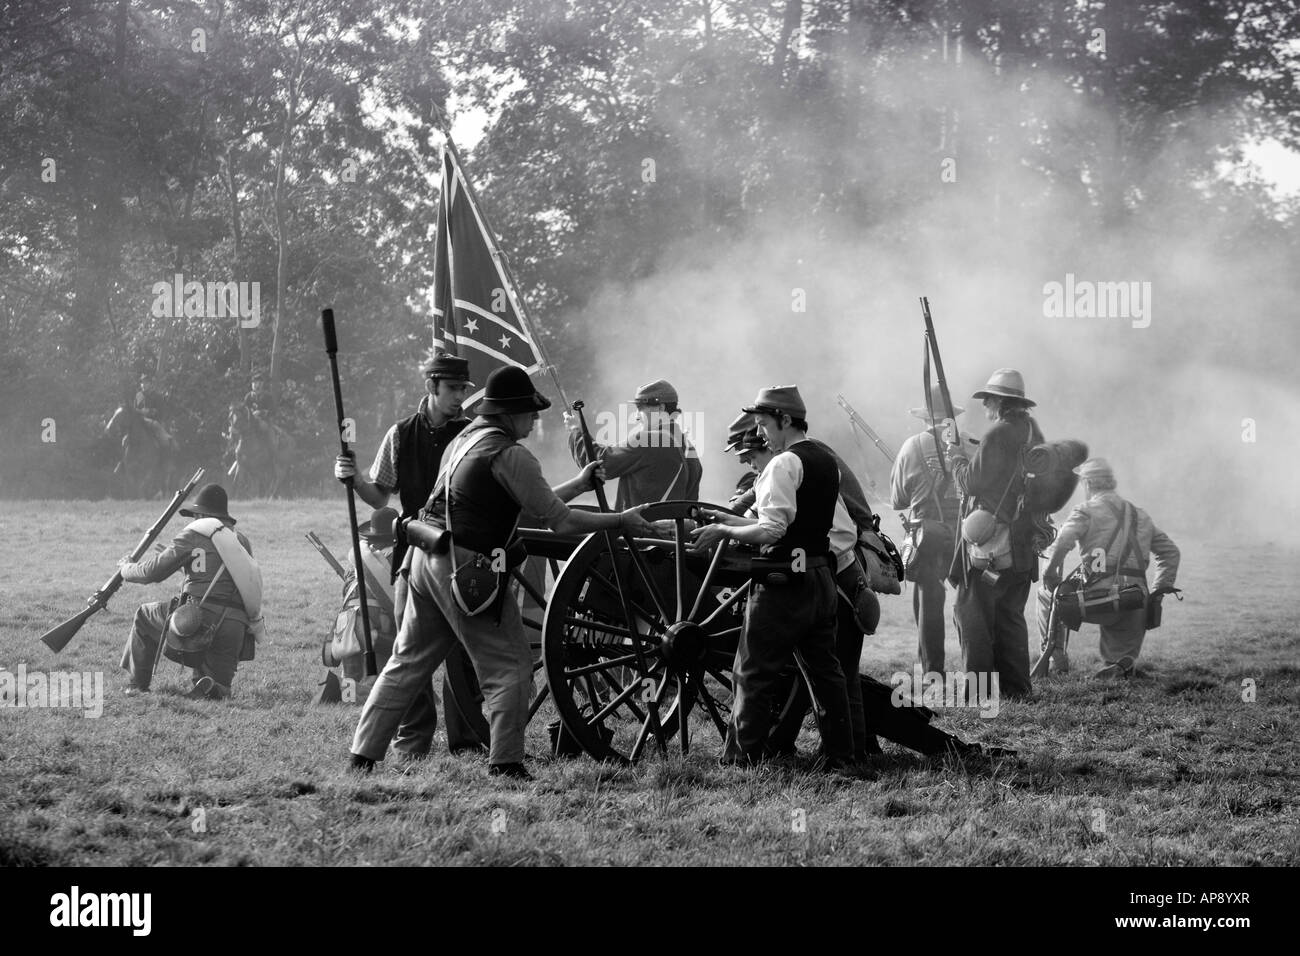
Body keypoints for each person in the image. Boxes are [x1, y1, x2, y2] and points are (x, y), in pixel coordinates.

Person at [350, 366, 656, 779]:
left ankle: (362, 756)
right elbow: (560, 522)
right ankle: (507, 763)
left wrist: (579, 484)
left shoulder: (464, 439)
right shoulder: (511, 455)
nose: (534, 419)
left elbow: (532, 505)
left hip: (425, 558)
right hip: (465, 569)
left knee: (406, 661)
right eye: (529, 412)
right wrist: (621, 521)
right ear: (510, 413)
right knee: (510, 664)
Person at [691, 386, 854, 771]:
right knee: (826, 674)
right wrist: (726, 520)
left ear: (784, 420)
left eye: (763, 424)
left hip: (783, 583)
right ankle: (841, 756)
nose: (759, 433)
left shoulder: (783, 464)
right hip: (819, 576)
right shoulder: (824, 458)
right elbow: (794, 522)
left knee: (752, 670)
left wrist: (725, 533)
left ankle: (742, 759)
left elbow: (772, 530)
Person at [333, 352, 486, 759]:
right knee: (408, 651)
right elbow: (380, 495)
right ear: (431, 387)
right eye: (452, 389)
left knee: (461, 654)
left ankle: (468, 741)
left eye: (463, 389)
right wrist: (354, 479)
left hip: (459, 553)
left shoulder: (472, 434)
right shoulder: (400, 434)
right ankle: (412, 742)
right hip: (411, 554)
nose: (459, 397)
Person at [945, 368, 1043, 702]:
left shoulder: (999, 433)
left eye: (988, 398)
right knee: (1010, 617)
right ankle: (1017, 690)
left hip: (991, 546)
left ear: (1000, 401)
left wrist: (955, 453)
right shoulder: (1030, 431)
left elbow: (971, 482)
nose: (984, 403)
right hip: (1022, 544)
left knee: (971, 613)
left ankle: (979, 693)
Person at [1038, 458, 1181, 679]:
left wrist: (1049, 573)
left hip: (1097, 599)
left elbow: (1063, 541)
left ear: (1087, 484)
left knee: (1046, 594)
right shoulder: (1140, 514)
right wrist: (1158, 593)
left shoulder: (1085, 510)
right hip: (1135, 600)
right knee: (1121, 641)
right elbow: (1171, 552)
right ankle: (1121, 663)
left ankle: (1056, 656)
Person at [119, 484, 262, 700]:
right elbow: (226, 581)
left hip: (198, 620)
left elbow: (151, 573)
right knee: (218, 689)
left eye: (195, 516)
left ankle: (138, 685)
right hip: (235, 628)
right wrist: (181, 567)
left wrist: (126, 568)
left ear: (201, 514)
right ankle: (210, 686)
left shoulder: (194, 534)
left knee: (144, 616)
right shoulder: (240, 540)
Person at [891, 385, 964, 673]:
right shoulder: (969, 444)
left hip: (927, 534)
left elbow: (898, 500)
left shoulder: (911, 446)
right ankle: (978, 666)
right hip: (964, 532)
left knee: (929, 603)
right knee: (971, 602)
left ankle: (933, 672)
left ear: (925, 418)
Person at [566, 379, 702, 507]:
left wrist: (576, 431)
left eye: (640, 408)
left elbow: (598, 462)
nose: (636, 416)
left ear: (660, 408)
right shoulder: (689, 447)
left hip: (639, 530)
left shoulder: (648, 441)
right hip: (676, 531)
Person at [319, 507, 400, 699]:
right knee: (381, 685)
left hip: (346, 622)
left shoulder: (360, 560)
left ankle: (343, 692)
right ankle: (336, 688)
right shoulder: (396, 557)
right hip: (374, 623)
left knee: (352, 676)